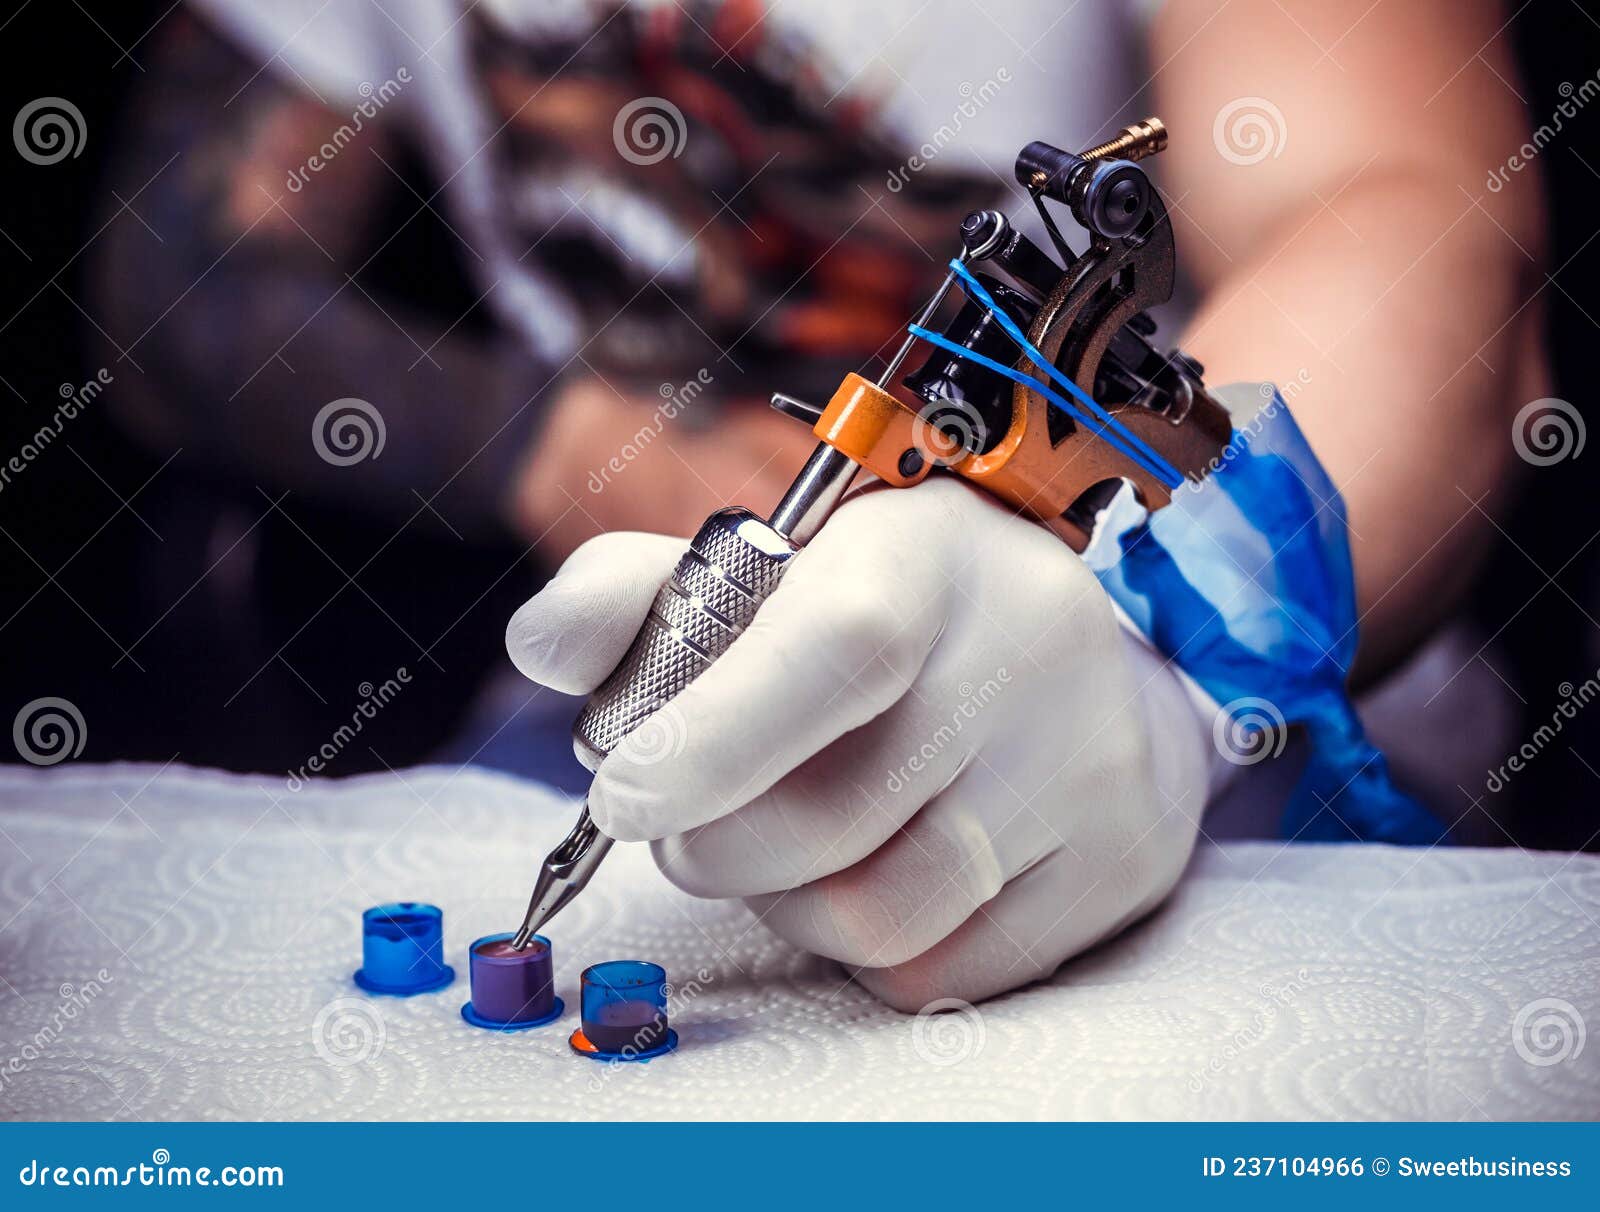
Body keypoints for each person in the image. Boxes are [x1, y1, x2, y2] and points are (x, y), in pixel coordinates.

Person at [504, 0, 1546, 1010]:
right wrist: (528, 429)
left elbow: (1400, 205)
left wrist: (1155, 677)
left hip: (1292, 742)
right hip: (639, 695)